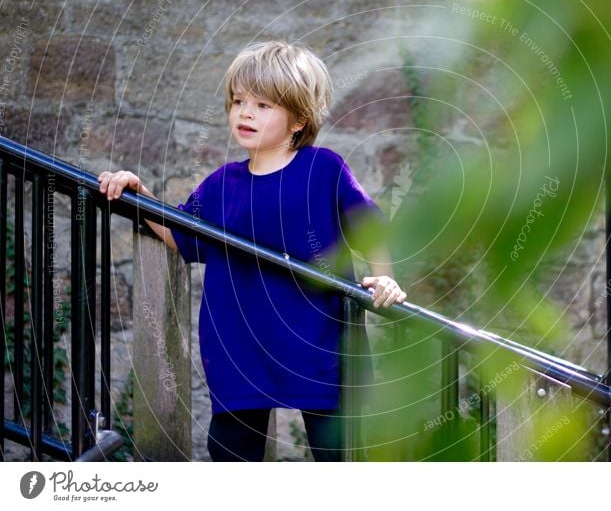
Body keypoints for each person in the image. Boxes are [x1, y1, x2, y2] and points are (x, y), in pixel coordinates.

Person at [99, 41, 406, 462]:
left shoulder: (323, 169)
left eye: (262, 105)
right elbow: (181, 238)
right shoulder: (222, 184)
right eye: (238, 101)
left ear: (298, 119)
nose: (245, 113)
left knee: (337, 457)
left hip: (318, 344)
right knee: (229, 455)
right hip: (239, 347)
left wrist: (384, 276)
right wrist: (140, 196)